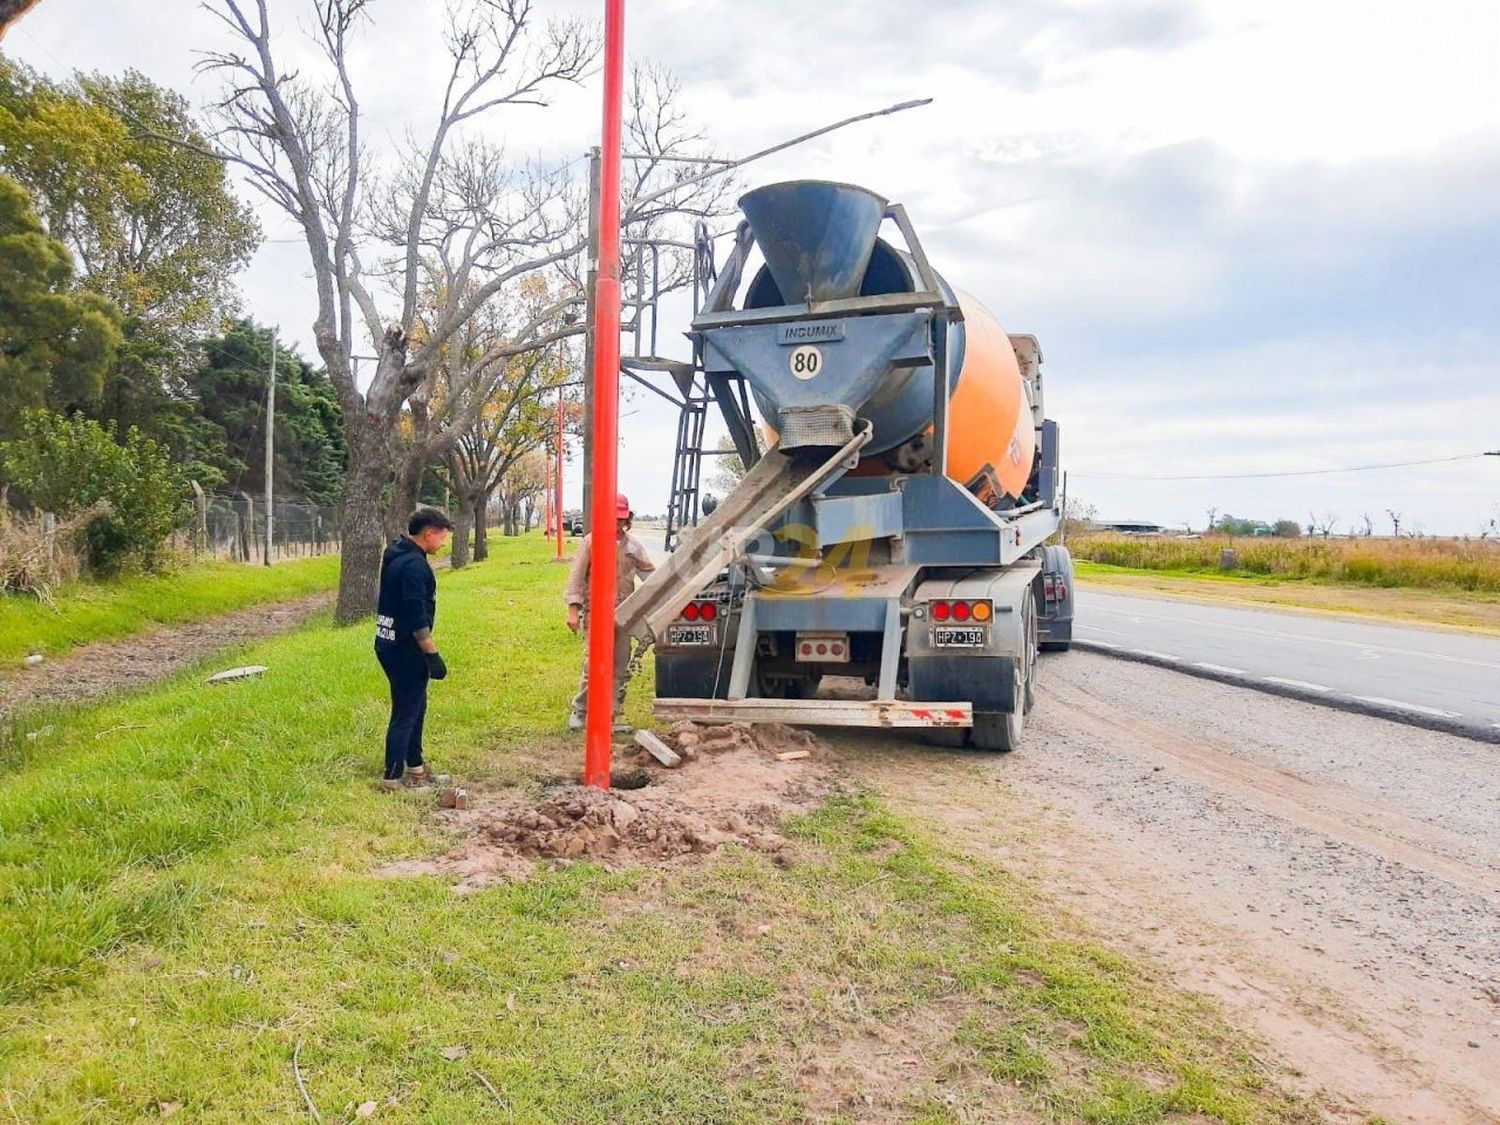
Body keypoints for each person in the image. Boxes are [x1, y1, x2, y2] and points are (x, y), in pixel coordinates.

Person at [374, 506, 454, 790]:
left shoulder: (397, 552)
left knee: (415, 706)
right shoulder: (414, 566)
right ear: (429, 533)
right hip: (405, 648)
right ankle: (392, 778)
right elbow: (415, 614)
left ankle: (416, 769)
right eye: (442, 537)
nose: (444, 543)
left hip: (387, 641)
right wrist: (431, 654)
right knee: (406, 711)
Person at [564, 493, 655, 732]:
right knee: (595, 663)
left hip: (624, 614)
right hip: (597, 613)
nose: (616, 523)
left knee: (619, 665)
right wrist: (573, 610)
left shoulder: (633, 546)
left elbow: (651, 576)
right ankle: (580, 711)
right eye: (612, 517)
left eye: (620, 518)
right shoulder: (592, 542)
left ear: (627, 519)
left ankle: (609, 716)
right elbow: (576, 578)